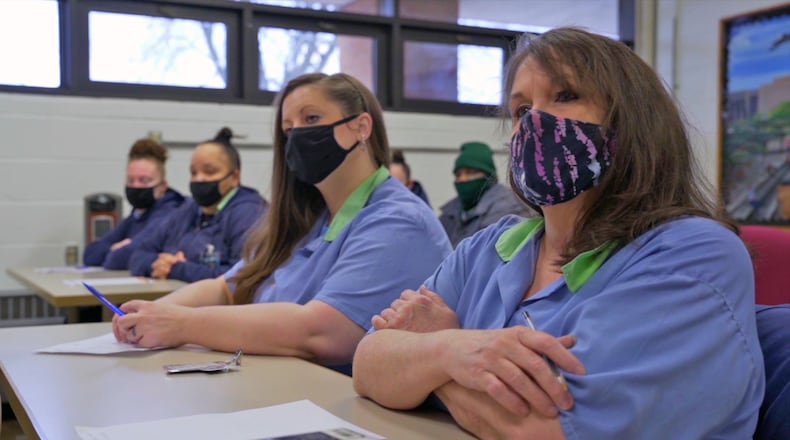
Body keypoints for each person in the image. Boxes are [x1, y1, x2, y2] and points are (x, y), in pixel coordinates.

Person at [353, 27, 765, 439]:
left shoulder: (691, 252)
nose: (533, 120)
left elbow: (548, 430)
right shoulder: (490, 247)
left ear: (634, 122)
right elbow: (369, 362)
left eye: (565, 95)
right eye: (520, 109)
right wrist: (450, 352)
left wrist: (436, 348)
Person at [113, 73, 451, 374]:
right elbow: (226, 288)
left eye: (312, 118)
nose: (298, 135)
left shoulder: (399, 221)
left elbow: (322, 332)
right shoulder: (309, 219)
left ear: (361, 127)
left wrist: (180, 324)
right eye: (289, 129)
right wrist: (150, 314)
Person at [128, 127, 268, 283]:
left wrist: (177, 268)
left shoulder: (250, 213)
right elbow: (137, 255)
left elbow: (240, 277)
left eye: (209, 171)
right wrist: (158, 263)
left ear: (235, 177)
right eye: (194, 172)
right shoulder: (189, 208)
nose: (199, 179)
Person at [83, 138, 184, 269]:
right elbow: (90, 254)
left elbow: (119, 259)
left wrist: (118, 249)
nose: (136, 186)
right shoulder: (137, 214)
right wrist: (116, 247)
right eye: (131, 180)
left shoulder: (170, 212)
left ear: (163, 186)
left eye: (144, 181)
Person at [439, 141, 532, 247]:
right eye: (458, 174)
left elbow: (485, 251)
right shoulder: (451, 211)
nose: (462, 179)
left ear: (488, 176)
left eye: (470, 172)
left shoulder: (507, 206)